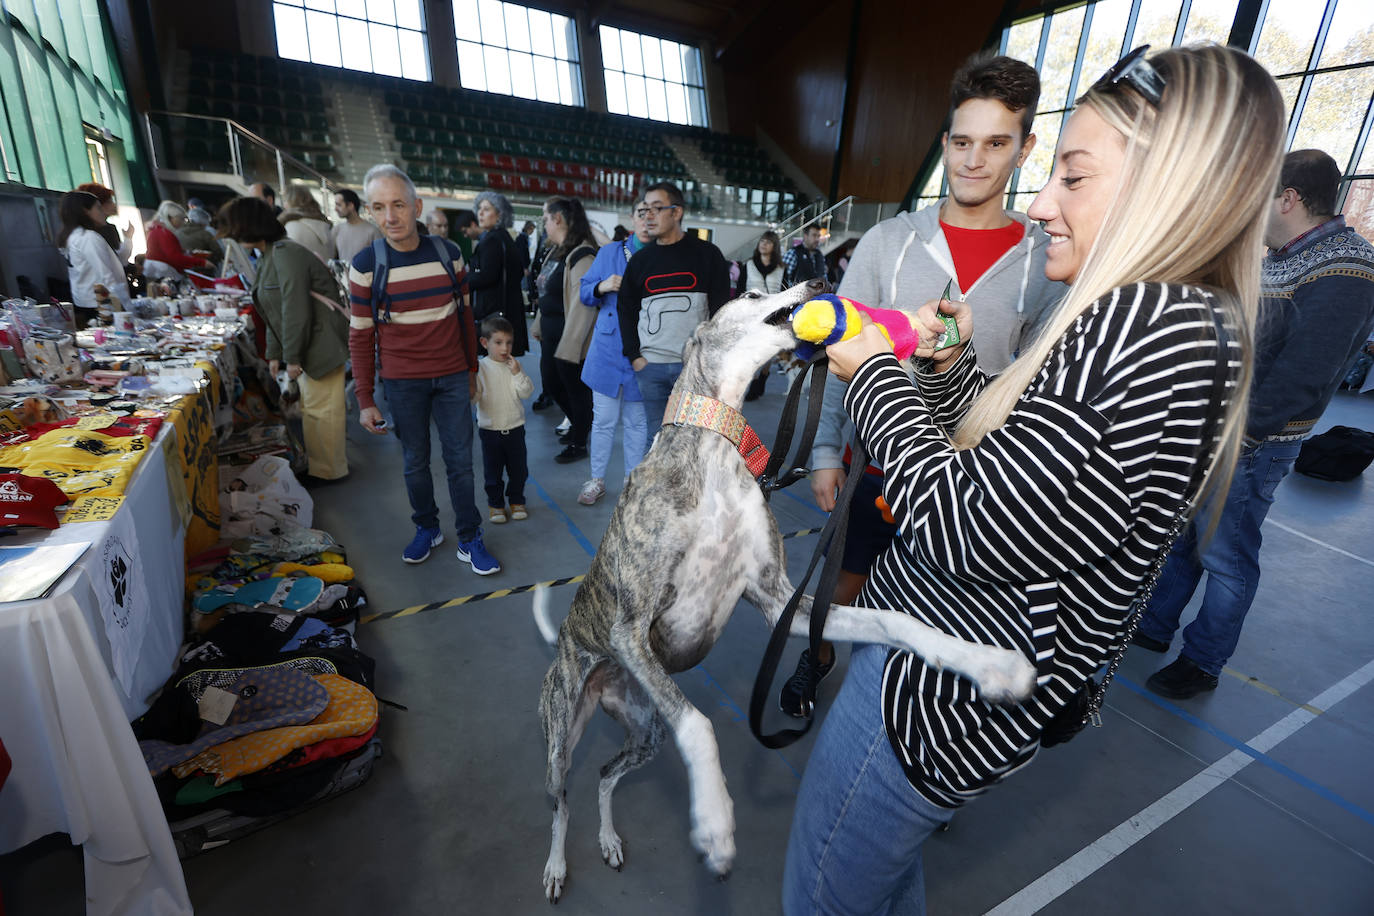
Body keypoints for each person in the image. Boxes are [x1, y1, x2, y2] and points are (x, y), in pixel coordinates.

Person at [781, 45, 1284, 914]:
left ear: (1170, 186)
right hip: (963, 672)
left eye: (1074, 178)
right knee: (883, 880)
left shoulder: (1143, 324)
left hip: (934, 690)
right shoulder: (1185, 316)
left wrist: (874, 370)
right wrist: (941, 374)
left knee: (824, 896)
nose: (1043, 203)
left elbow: (966, 527)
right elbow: (1024, 474)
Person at [782, 52, 1065, 717]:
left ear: (1024, 150)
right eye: (962, 142)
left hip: (972, 483)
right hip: (875, 463)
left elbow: (1033, 382)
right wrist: (826, 452)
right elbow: (836, 349)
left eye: (996, 143)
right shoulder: (888, 241)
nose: (974, 160)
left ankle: (910, 735)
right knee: (841, 591)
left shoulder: (1046, 261)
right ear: (944, 145)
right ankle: (814, 660)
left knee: (944, 616)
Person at [1134, 148, 1374, 699]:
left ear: (1288, 199)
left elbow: (1305, 376)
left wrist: (1237, 436)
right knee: (1186, 543)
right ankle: (1154, 626)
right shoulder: (1284, 257)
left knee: (1227, 557)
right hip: (1221, 434)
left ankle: (1204, 661)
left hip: (1252, 443)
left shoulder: (1346, 267)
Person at [348, 163, 499, 575]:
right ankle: (427, 528)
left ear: (416, 206)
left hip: (452, 377)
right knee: (415, 463)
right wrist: (365, 399)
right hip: (402, 383)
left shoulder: (449, 255)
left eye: (398, 205)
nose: (390, 216)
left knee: (461, 464)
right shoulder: (365, 266)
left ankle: (469, 537)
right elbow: (361, 337)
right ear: (369, 210)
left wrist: (470, 371)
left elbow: (466, 319)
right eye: (379, 207)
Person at [222, 196, 350, 483]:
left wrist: (290, 357)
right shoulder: (272, 254)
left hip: (320, 343)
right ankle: (323, 467)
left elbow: (294, 311)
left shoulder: (284, 254)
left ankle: (330, 471)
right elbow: (275, 311)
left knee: (322, 412)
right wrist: (277, 354)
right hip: (311, 342)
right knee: (316, 410)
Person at [617, 181, 731, 438]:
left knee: (697, 441)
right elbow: (626, 310)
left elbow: (721, 314)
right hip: (651, 367)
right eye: (645, 210)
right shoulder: (640, 262)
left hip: (693, 368)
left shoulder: (708, 255)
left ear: (676, 212)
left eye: (657, 208)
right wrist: (635, 357)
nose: (649, 216)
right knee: (656, 441)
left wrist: (709, 361)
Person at [576, 201, 651, 505]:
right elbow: (583, 292)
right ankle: (596, 480)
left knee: (637, 423)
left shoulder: (663, 258)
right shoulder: (608, 254)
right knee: (603, 420)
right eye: (641, 213)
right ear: (632, 218)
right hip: (607, 350)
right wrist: (602, 285)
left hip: (645, 352)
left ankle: (631, 482)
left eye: (653, 213)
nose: (647, 219)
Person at [531, 196, 599, 463]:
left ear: (557, 219)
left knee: (575, 391)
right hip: (551, 332)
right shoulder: (557, 250)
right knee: (552, 385)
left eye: (546, 218)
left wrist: (570, 346)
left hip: (569, 337)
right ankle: (577, 426)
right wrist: (538, 324)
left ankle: (579, 441)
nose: (545, 224)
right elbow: (547, 290)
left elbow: (583, 305)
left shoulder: (582, 254)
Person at [473, 315, 534, 525]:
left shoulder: (514, 366)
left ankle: (517, 500)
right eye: (498, 343)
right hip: (490, 431)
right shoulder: (480, 368)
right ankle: (496, 504)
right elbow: (475, 397)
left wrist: (517, 373)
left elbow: (526, 392)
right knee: (493, 472)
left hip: (515, 428)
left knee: (519, 470)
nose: (504, 348)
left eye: (508, 342)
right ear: (484, 343)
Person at [468, 190, 530, 357]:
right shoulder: (504, 238)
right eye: (479, 208)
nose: (480, 213)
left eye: (487, 209)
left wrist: (462, 279)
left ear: (499, 214)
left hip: (493, 312)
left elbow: (487, 275)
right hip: (506, 311)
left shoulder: (492, 240)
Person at [58, 189, 130, 320]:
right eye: (98, 208)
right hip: (101, 303)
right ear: (85, 211)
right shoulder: (88, 237)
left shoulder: (73, 236)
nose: (102, 212)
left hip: (88, 301)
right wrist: (123, 306)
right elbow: (105, 275)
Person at [144, 200, 209, 280]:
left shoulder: (157, 230)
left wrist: (183, 251)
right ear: (170, 218)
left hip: (158, 272)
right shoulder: (164, 232)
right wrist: (202, 262)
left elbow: (167, 252)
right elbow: (175, 257)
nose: (182, 222)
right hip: (162, 273)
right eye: (180, 218)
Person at [75, 182, 131, 262]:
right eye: (109, 201)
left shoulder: (80, 232)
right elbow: (117, 260)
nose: (114, 205)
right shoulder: (104, 230)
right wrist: (128, 239)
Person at [280, 185, 334, 263]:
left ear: (291, 202)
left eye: (285, 200)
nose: (284, 205)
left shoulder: (291, 226)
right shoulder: (325, 225)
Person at [332, 188, 381, 263]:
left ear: (351, 206)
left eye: (339, 205)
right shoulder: (337, 229)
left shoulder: (372, 231)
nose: (335, 209)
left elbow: (379, 259)